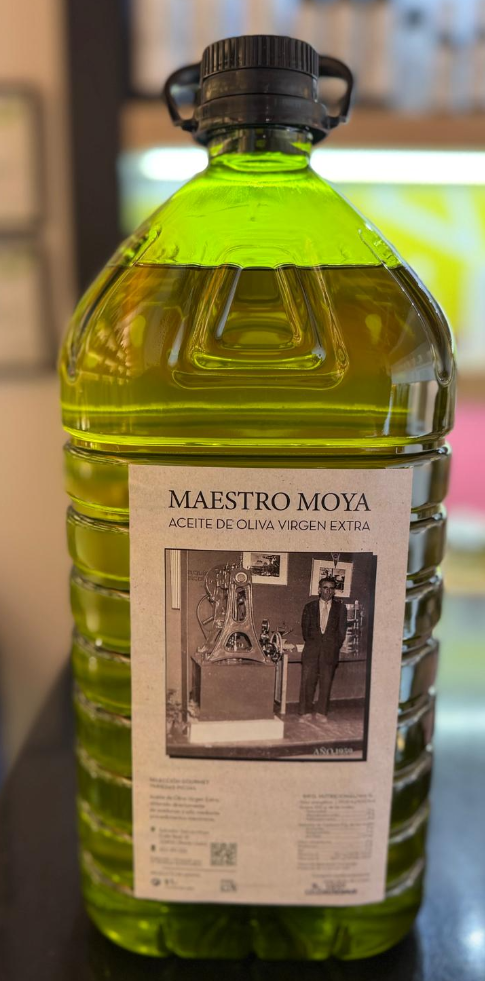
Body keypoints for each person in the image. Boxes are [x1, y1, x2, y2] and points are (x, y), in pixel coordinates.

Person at [298, 575, 348, 722]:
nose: (328, 591)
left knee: (326, 683)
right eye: (325, 588)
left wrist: (332, 646)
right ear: (319, 589)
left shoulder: (341, 608)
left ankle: (321, 712)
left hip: (330, 652)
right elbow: (305, 632)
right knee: (308, 682)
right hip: (311, 651)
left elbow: (341, 632)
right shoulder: (309, 607)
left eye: (331, 588)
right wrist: (315, 643)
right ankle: (305, 712)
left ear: (334, 591)